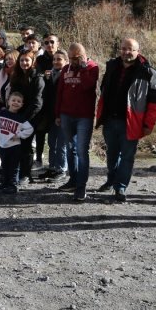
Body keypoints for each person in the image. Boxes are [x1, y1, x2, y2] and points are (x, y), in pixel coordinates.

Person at [95, 38, 156, 202]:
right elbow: (103, 90)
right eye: (124, 48)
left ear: (138, 51)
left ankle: (121, 187)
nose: (126, 52)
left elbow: (154, 103)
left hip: (132, 122)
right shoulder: (112, 66)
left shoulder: (148, 72)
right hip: (110, 119)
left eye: (131, 49)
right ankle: (111, 180)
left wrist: (148, 124)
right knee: (111, 154)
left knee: (127, 156)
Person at [55, 43, 100, 201]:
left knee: (82, 151)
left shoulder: (92, 67)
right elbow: (59, 92)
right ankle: (73, 180)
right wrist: (58, 114)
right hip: (66, 114)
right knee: (70, 148)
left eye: (77, 56)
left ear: (84, 54)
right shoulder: (65, 69)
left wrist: (82, 67)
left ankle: (81, 186)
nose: (73, 60)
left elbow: (88, 86)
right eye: (71, 57)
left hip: (84, 117)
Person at [9, 50, 44, 184]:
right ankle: (14, 171)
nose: (24, 63)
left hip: (31, 117)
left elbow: (37, 102)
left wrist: (24, 119)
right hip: (16, 114)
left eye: (27, 60)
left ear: (32, 61)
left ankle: (26, 174)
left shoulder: (37, 78)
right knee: (14, 143)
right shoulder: (16, 75)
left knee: (26, 145)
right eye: (22, 60)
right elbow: (13, 94)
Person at [0, 91, 34, 194]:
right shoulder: (1, 113)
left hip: (14, 146)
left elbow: (30, 129)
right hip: (3, 145)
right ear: (8, 101)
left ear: (22, 104)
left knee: (14, 166)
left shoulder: (21, 118)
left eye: (19, 101)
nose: (16, 103)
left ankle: (13, 185)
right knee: (4, 165)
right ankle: (5, 183)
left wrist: (19, 135)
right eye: (13, 100)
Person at [37, 50, 69, 182]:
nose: (56, 62)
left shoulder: (67, 75)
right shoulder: (49, 75)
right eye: (54, 59)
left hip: (62, 114)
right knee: (51, 143)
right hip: (51, 114)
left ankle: (61, 169)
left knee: (61, 144)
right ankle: (52, 167)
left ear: (66, 61)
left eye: (59, 59)